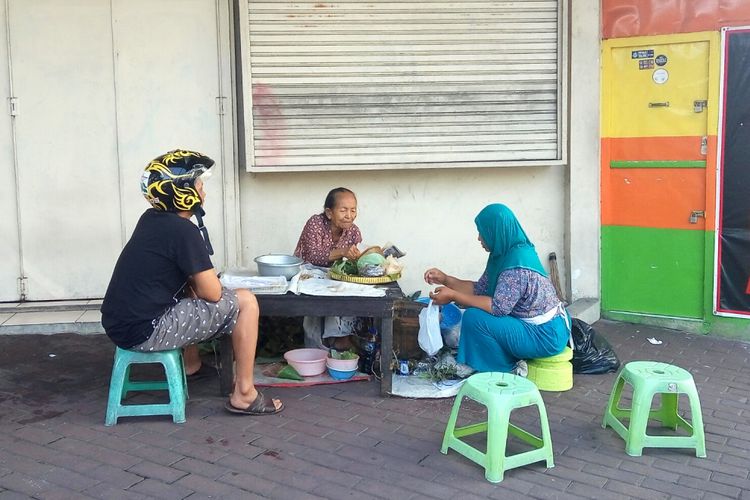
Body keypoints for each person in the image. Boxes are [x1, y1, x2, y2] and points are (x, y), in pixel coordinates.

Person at [101, 149, 282, 415]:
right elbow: (212, 292)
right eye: (199, 184)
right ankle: (244, 393)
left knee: (188, 295)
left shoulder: (151, 220)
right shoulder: (183, 230)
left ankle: (191, 364)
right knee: (246, 302)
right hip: (146, 329)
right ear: (181, 191)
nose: (203, 191)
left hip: (120, 324)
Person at [424, 203, 569, 373]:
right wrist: (445, 279)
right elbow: (480, 290)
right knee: (475, 313)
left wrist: (454, 296)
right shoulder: (502, 255)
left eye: (483, 232)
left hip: (545, 335)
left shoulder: (517, 263)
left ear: (496, 232)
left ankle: (501, 368)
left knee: (474, 318)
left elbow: (498, 308)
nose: (479, 238)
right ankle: (499, 359)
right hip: (534, 327)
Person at [293, 187, 363, 350]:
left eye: (353, 210)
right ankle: (315, 349)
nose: (349, 215)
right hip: (307, 273)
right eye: (343, 210)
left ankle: (340, 340)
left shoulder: (354, 232)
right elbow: (313, 257)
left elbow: (351, 262)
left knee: (348, 292)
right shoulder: (315, 223)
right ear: (329, 213)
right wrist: (343, 252)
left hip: (334, 277)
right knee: (316, 305)